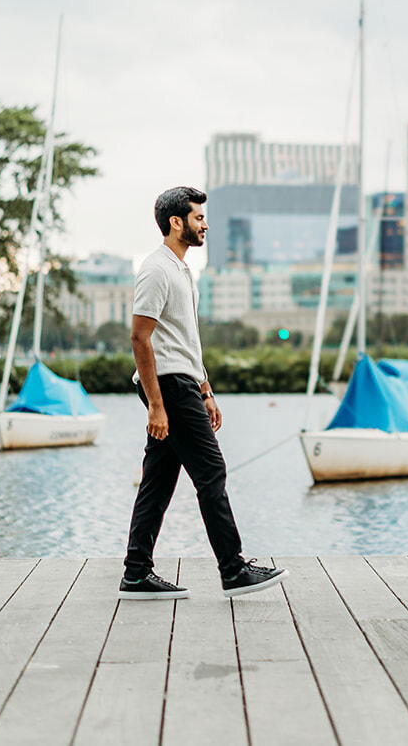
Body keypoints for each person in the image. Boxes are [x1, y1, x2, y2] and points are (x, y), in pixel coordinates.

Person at [120, 185, 287, 600]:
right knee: (211, 472)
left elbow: (184, 339)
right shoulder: (156, 269)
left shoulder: (181, 269)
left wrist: (206, 387)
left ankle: (137, 573)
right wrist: (156, 405)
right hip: (169, 388)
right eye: (197, 217)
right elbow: (141, 339)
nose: (205, 224)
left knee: (157, 482)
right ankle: (233, 570)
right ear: (176, 222)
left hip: (184, 383)